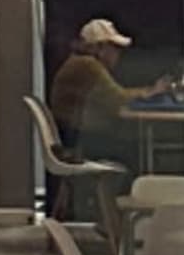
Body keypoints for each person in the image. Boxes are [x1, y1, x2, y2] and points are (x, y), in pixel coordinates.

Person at [45, 13, 138, 176]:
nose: (118, 55)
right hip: (79, 142)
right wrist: (153, 91)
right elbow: (118, 98)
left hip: (71, 137)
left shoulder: (78, 62)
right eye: (114, 48)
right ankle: (116, 199)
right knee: (133, 151)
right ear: (99, 47)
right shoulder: (88, 65)